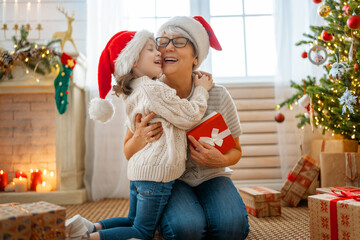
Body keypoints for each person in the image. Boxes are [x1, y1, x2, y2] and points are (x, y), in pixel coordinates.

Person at [66, 29, 214, 240]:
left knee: (131, 221)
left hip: (140, 171)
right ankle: (85, 238)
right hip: (156, 174)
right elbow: (189, 115)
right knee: (141, 232)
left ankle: (88, 227)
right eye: (151, 49)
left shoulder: (134, 89)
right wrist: (201, 90)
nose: (159, 54)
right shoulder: (152, 89)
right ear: (133, 60)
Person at [125, 16, 250, 240]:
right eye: (162, 41)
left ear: (196, 58)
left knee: (231, 228)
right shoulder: (148, 94)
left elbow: (236, 152)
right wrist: (139, 138)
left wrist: (221, 160)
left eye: (180, 41)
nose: (169, 46)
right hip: (168, 180)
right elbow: (127, 152)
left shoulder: (218, 95)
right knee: (186, 230)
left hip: (212, 175)